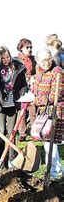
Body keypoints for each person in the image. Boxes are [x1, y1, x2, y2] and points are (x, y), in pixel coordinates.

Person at [0, 46, 28, 167]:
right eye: (3, 58)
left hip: (12, 103)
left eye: (7, 57)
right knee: (1, 131)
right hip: (0, 104)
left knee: (11, 132)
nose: (6, 60)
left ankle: (11, 158)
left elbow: (23, 85)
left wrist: (24, 96)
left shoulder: (17, 67)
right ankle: (1, 159)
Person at [31, 48, 63, 180]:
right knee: (47, 143)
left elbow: (57, 94)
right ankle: (56, 171)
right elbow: (35, 89)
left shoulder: (57, 72)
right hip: (43, 112)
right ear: (38, 60)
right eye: (44, 60)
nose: (47, 62)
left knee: (53, 142)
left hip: (56, 111)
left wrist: (36, 100)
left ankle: (55, 172)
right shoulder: (38, 71)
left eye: (49, 59)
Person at [15, 38, 37, 141]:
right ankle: (22, 133)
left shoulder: (33, 59)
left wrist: (34, 77)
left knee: (33, 111)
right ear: (21, 48)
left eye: (31, 47)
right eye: (27, 47)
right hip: (21, 88)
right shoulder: (17, 60)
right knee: (22, 111)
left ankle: (34, 132)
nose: (29, 49)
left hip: (32, 87)